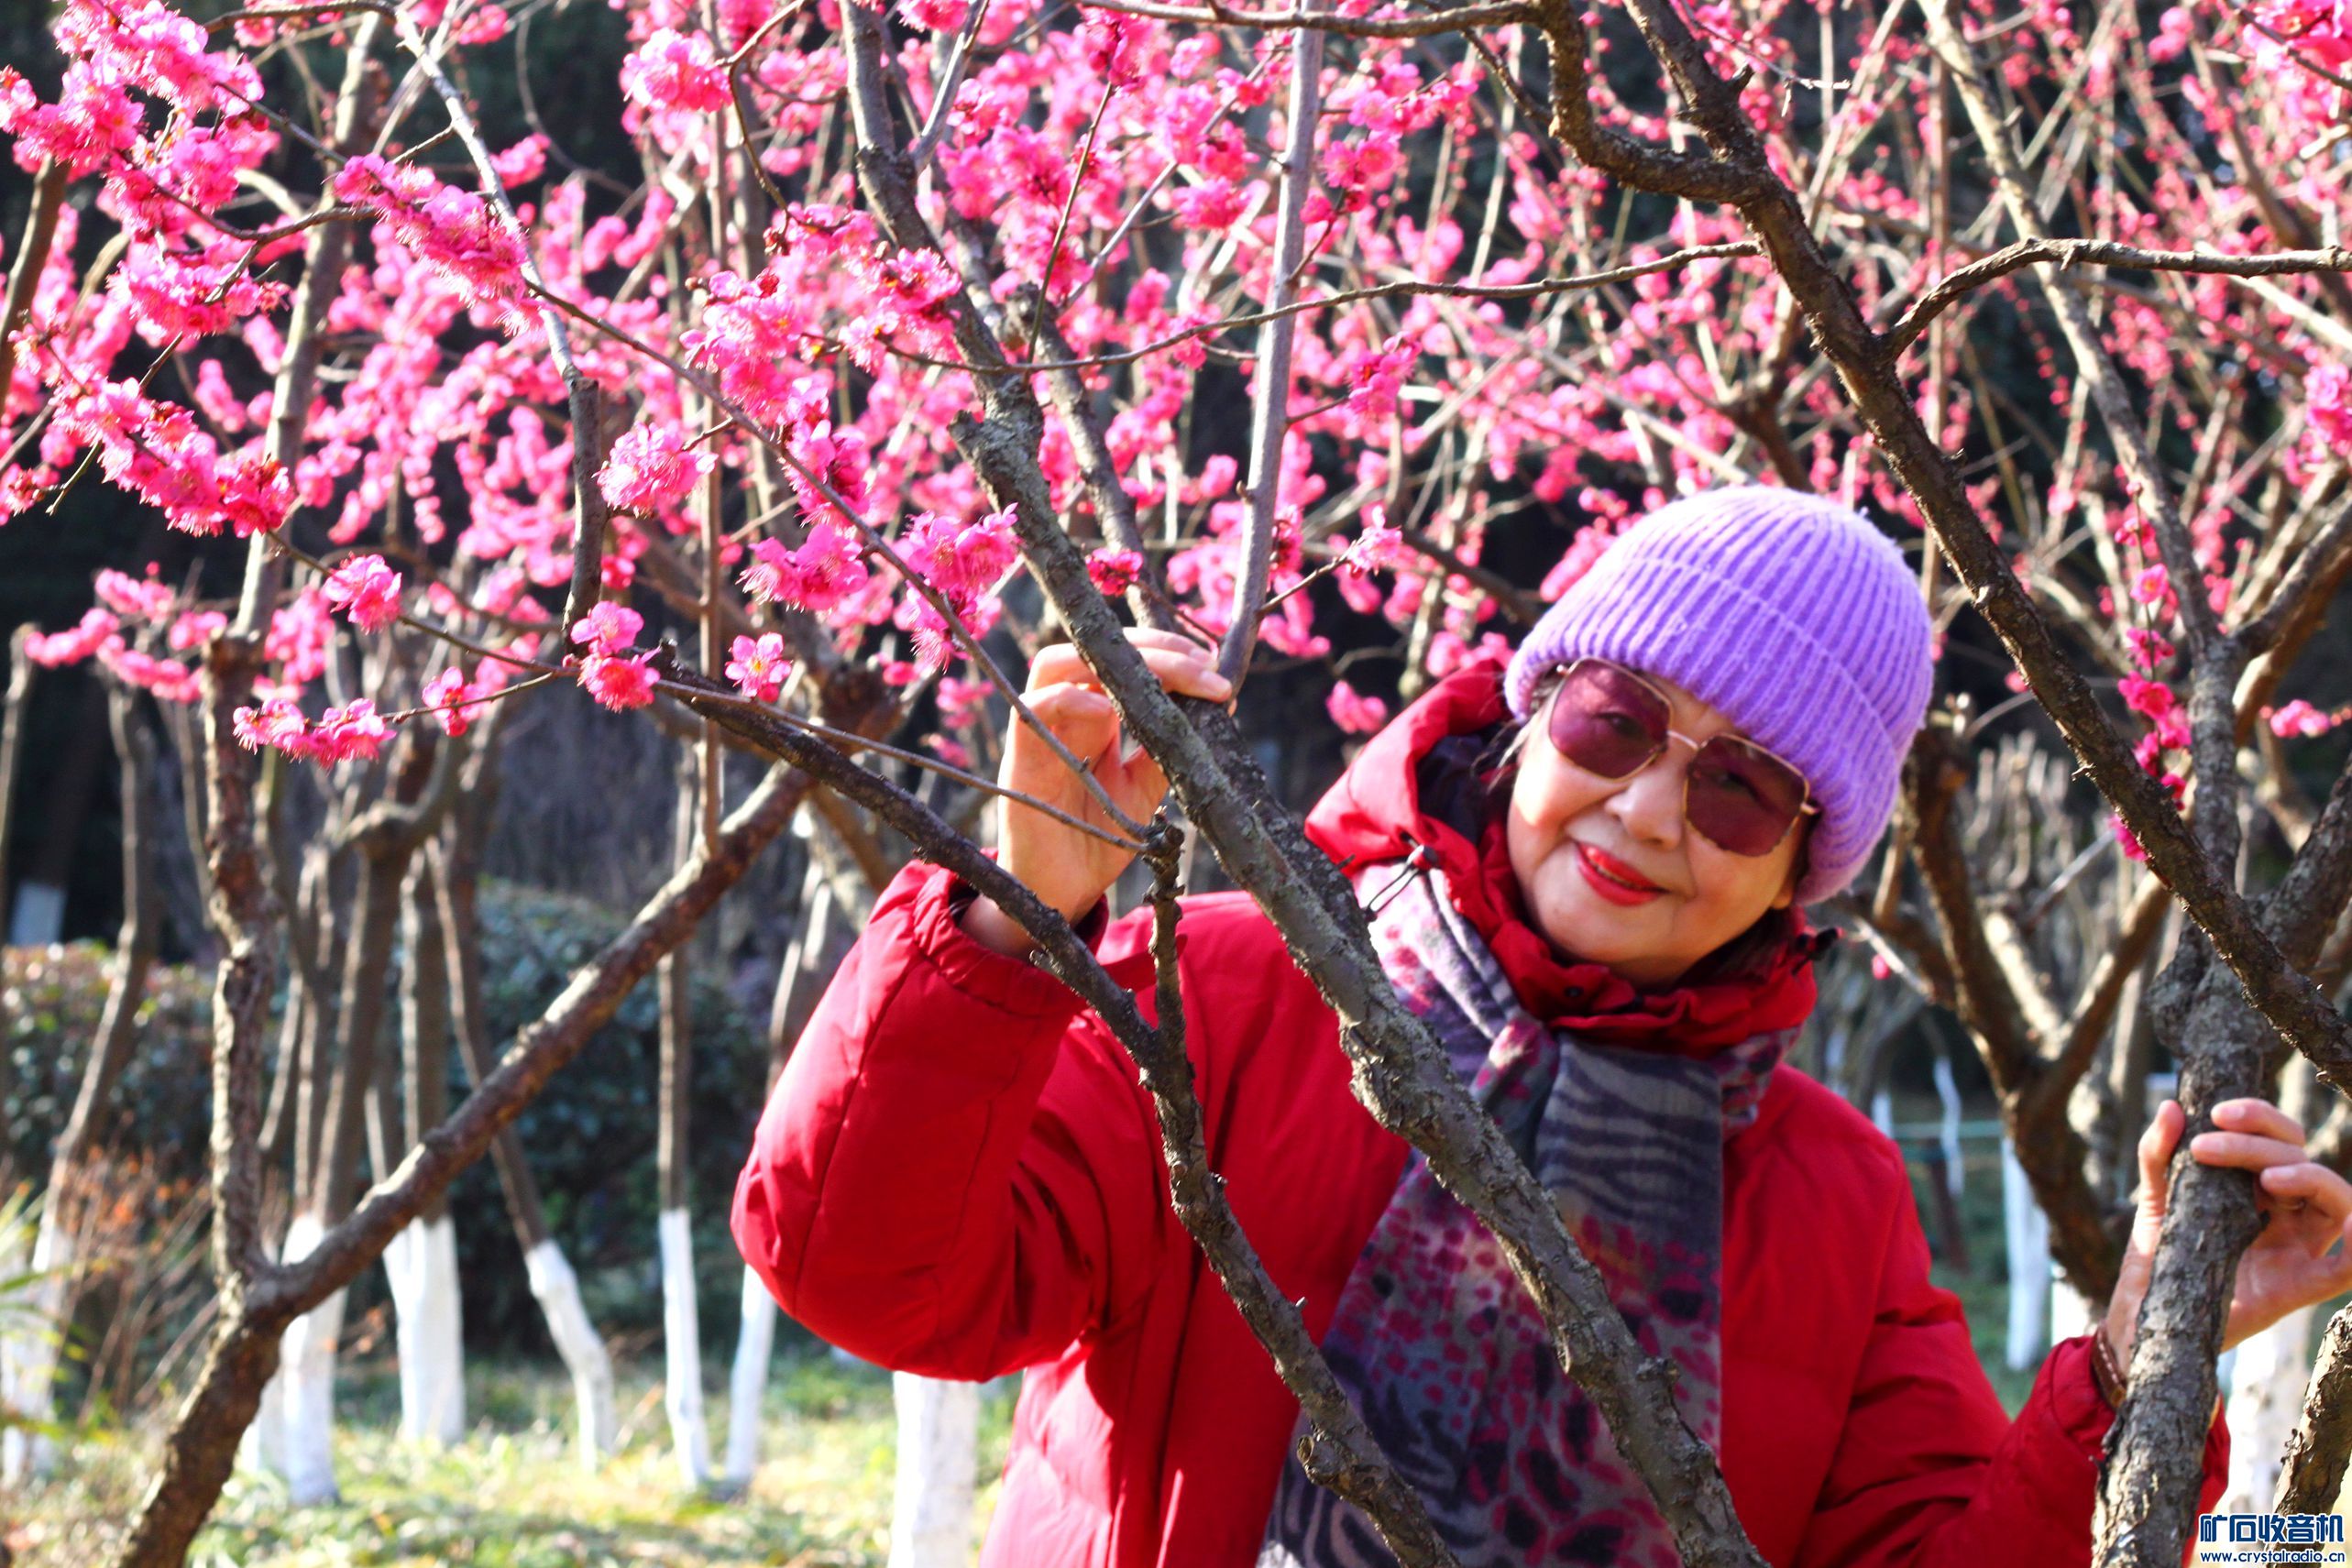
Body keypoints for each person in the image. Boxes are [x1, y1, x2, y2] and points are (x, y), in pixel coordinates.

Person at [731, 487, 2352, 1568]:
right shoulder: (1224, 993)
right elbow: (869, 1276)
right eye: (1614, 720)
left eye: (1739, 790)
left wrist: (2139, 1359)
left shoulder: (1832, 1197)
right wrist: (1013, 926)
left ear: (1802, 869)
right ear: (1531, 715)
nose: (1644, 809)